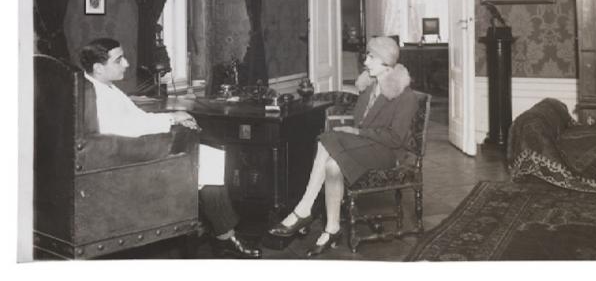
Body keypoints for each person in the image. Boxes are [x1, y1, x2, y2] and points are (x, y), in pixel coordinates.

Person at [78, 37, 261, 259]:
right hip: (129, 165)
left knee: (208, 153)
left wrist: (172, 117)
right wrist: (172, 119)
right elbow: (125, 129)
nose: (126, 64)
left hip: (135, 152)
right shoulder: (96, 95)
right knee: (208, 159)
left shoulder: (105, 87)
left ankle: (220, 230)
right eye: (119, 60)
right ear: (98, 68)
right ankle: (224, 236)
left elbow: (138, 119)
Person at [268, 36, 418, 256]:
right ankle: (332, 228)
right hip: (366, 147)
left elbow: (396, 139)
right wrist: (356, 131)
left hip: (388, 153)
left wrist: (356, 132)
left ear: (385, 62)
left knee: (327, 138)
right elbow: (360, 121)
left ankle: (304, 208)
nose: (365, 61)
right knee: (332, 166)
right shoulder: (368, 88)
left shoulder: (406, 96)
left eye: (370, 57)